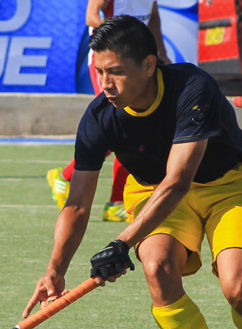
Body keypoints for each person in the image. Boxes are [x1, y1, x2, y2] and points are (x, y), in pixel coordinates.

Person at [24, 15, 242, 329]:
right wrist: (54, 270)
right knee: (157, 268)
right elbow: (77, 205)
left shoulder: (192, 87)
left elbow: (179, 180)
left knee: (240, 286)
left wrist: (121, 241)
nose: (105, 83)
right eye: (98, 71)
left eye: (115, 71)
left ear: (149, 65)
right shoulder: (99, 117)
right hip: (152, 191)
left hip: (230, 184)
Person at [46, 0, 170, 222]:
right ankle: (114, 202)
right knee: (122, 125)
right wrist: (118, 45)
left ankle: (68, 178)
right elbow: (91, 16)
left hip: (132, 59)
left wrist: (162, 52)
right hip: (108, 60)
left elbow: (153, 20)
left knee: (134, 126)